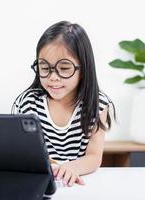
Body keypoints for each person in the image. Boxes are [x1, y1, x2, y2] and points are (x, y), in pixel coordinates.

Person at [12, 21, 115, 187]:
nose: (53, 77)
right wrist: (51, 166)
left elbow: (94, 157)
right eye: (44, 68)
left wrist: (72, 167)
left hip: (79, 187)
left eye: (64, 68)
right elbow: (22, 152)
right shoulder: (28, 103)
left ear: (83, 69)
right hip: (40, 185)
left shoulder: (98, 105)